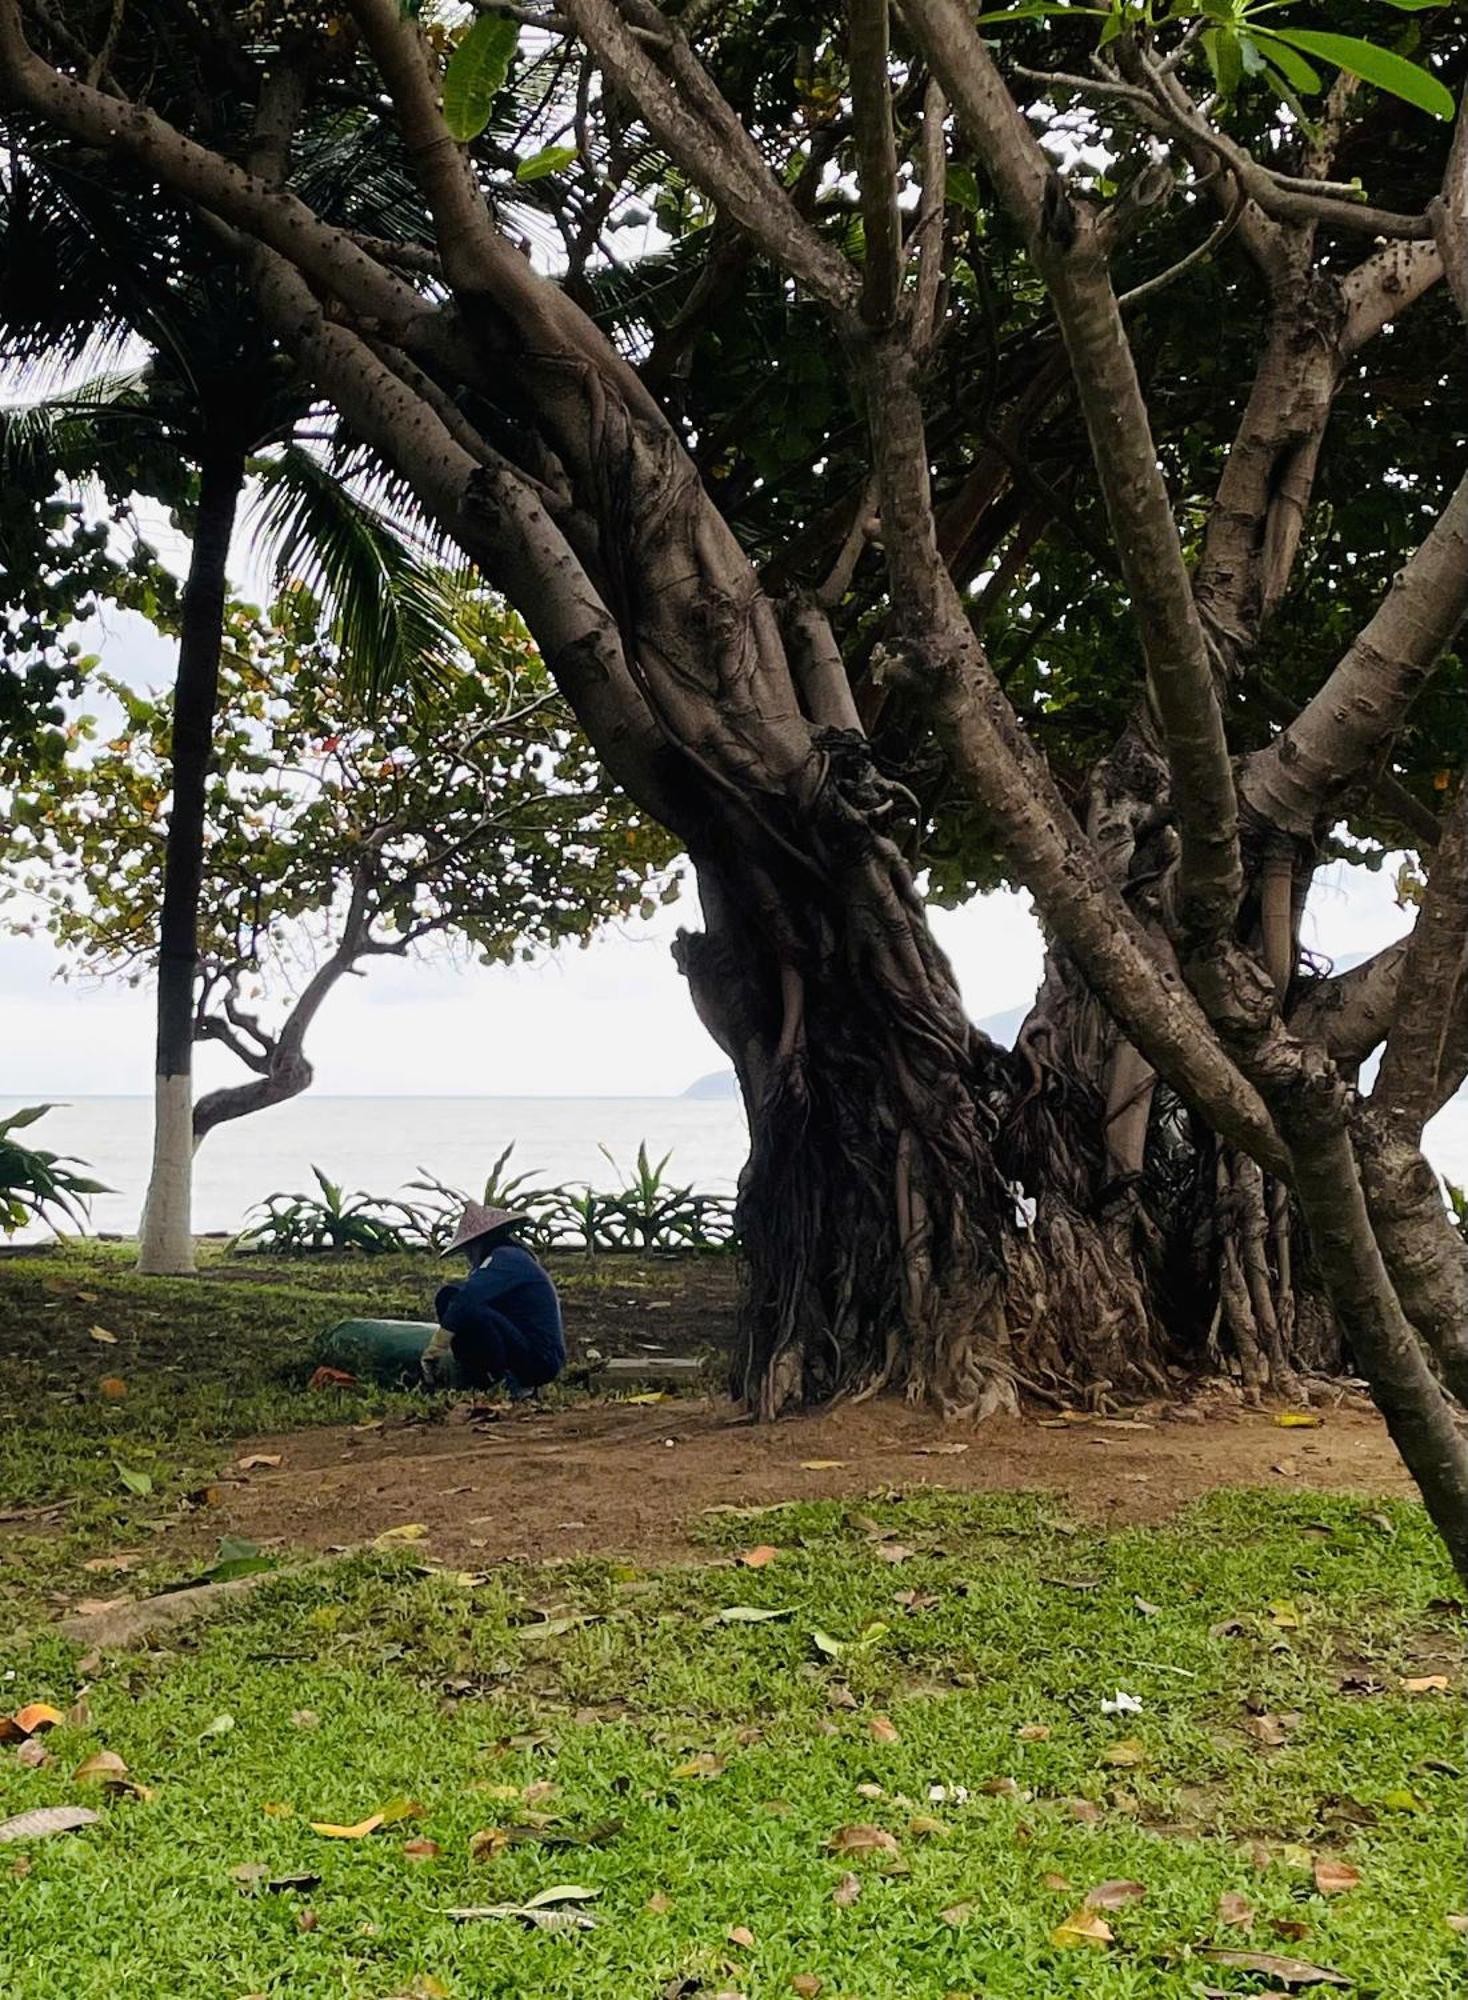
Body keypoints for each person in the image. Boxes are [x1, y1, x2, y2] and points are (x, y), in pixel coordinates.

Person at [421, 1200, 565, 1398]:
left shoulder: (507, 1259)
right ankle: (483, 1378)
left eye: (468, 1249)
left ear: (479, 1242)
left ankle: (508, 1382)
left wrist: (437, 1347)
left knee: (460, 1304)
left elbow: (467, 1299)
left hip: (540, 1358)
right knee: (451, 1298)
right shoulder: (506, 1259)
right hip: (526, 1347)